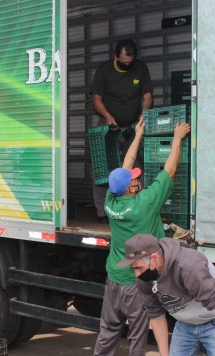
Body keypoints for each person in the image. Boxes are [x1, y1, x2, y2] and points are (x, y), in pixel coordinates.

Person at [86, 118, 191, 356]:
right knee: (137, 336)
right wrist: (178, 138)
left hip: (114, 278)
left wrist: (139, 135)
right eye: (134, 178)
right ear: (132, 187)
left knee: (109, 328)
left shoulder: (110, 200)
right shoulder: (145, 202)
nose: (137, 178)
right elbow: (169, 170)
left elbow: (124, 164)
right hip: (137, 283)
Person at [90, 38, 153, 222]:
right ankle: (103, 212)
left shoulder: (141, 68)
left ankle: (135, 207)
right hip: (107, 123)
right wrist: (108, 116)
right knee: (103, 168)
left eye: (130, 62)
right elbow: (96, 98)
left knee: (135, 167)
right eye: (124, 62)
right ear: (115, 56)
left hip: (132, 125)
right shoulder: (104, 70)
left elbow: (148, 96)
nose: (127, 65)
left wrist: (144, 114)